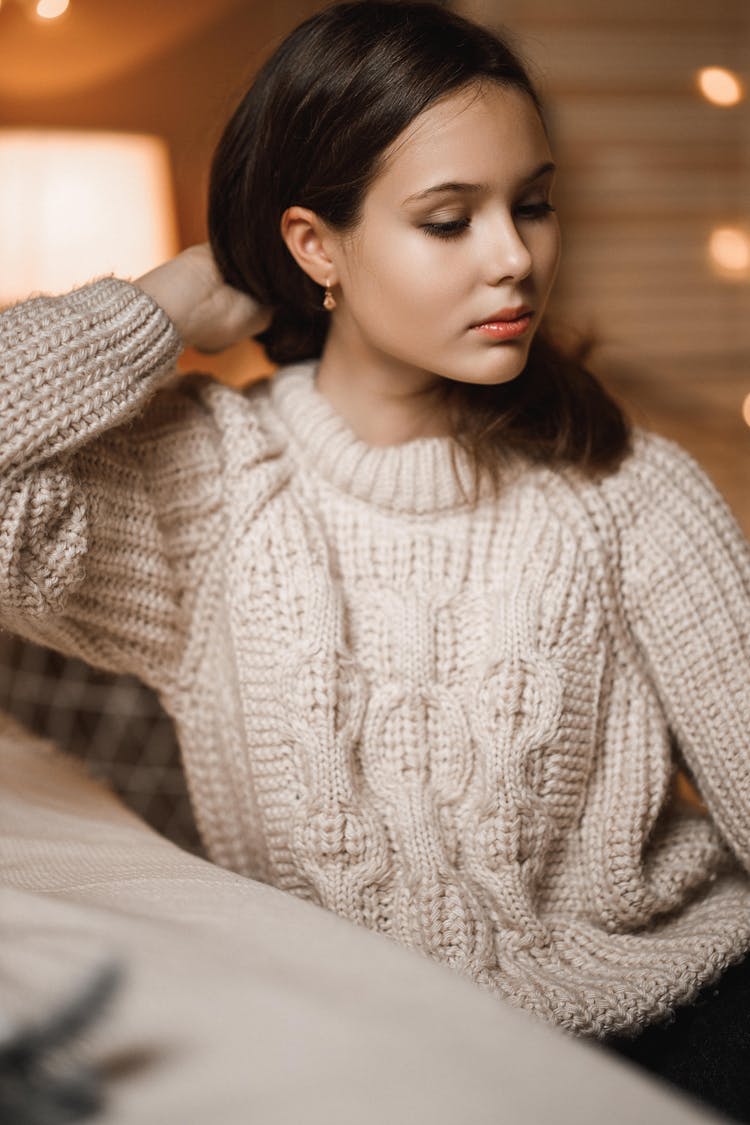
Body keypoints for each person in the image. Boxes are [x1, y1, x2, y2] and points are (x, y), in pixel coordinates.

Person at [1, 1, 749, 1118]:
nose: (515, 259)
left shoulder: (630, 492)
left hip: (685, 1017)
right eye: (449, 220)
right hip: (356, 1050)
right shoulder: (211, 487)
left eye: (533, 206)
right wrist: (165, 301)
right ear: (315, 244)